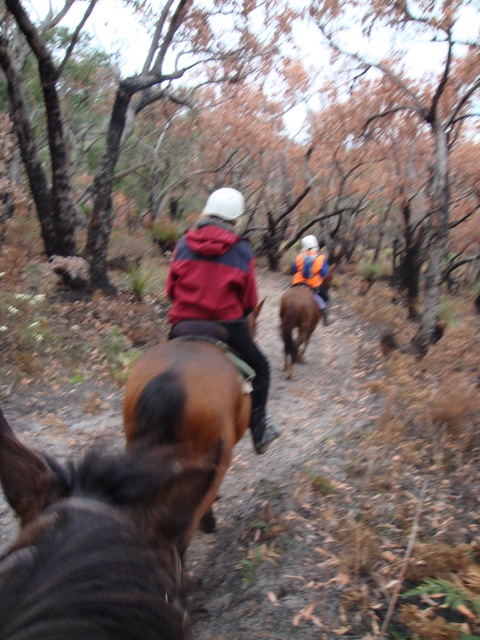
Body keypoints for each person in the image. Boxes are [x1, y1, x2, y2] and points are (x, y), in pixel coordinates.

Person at [166, 186, 280, 455]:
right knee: (262, 369)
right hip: (226, 329)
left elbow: (170, 290)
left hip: (182, 327)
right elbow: (249, 301)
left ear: (207, 211)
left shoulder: (183, 243)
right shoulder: (241, 250)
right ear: (235, 218)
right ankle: (260, 430)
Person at [291, 234, 332, 326]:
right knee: (326, 299)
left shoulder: (299, 256)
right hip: (313, 286)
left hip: (297, 284)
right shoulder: (321, 258)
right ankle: (326, 319)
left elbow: (293, 269)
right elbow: (324, 274)